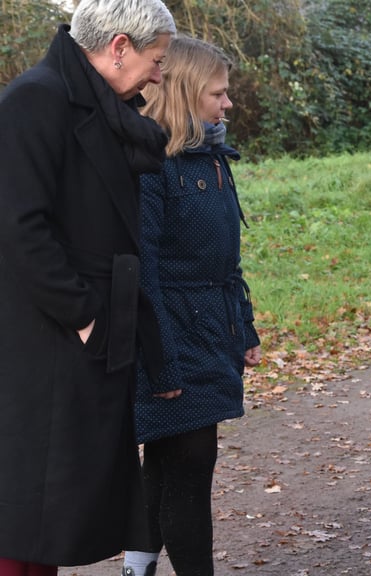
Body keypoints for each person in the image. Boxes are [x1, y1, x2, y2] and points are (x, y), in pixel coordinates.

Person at [0, 1, 176, 574]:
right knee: (30, 505)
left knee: (55, 510)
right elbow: (18, 224)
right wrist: (83, 316)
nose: (159, 74)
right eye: (156, 59)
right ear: (119, 46)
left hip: (86, 331)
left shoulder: (95, 105)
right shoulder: (35, 99)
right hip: (46, 335)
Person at [119, 36, 262, 576]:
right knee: (190, 465)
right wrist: (161, 362)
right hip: (170, 339)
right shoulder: (150, 166)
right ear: (183, 93)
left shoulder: (213, 157)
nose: (228, 105)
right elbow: (143, 271)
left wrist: (242, 327)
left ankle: (138, 568)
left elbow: (227, 258)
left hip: (209, 331)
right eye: (218, 94)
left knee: (169, 459)